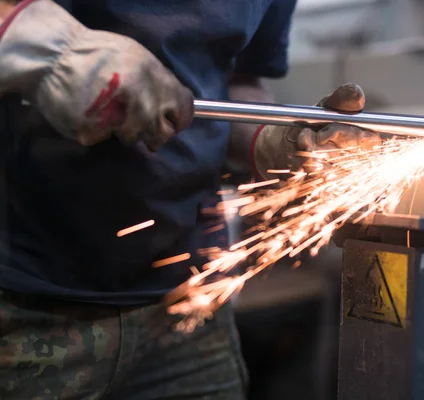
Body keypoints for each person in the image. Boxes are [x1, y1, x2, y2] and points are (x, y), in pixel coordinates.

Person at [0, 0, 381, 398]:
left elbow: (237, 83)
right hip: (24, 302)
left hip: (191, 308)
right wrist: (52, 46)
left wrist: (268, 137)